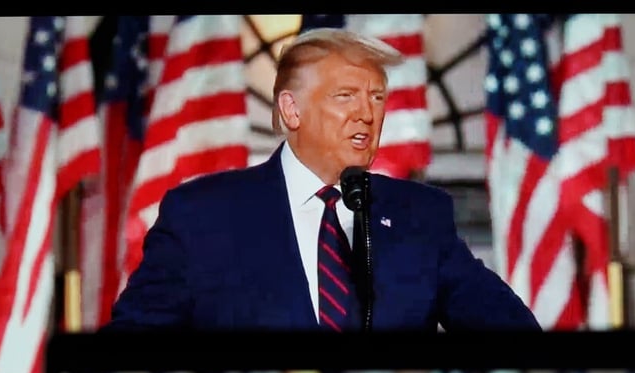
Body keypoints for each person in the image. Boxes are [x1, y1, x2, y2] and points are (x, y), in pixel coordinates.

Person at [105, 27, 540, 332]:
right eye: (345, 95)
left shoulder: (418, 217)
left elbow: (512, 331)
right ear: (291, 110)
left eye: (377, 97)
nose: (367, 114)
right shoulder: (201, 217)